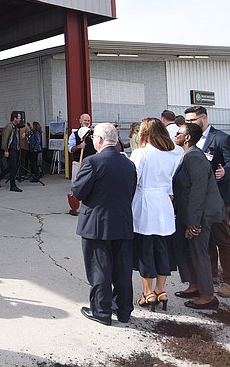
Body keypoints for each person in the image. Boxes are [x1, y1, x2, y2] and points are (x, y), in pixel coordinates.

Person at [71, 123, 137, 326]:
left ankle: (101, 311)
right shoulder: (129, 164)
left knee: (99, 268)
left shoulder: (92, 162)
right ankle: (124, 310)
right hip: (123, 222)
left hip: (97, 224)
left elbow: (78, 192)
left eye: (93, 139)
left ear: (99, 140)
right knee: (122, 269)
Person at [184, 106, 230, 298]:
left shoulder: (222, 138)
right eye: (187, 121)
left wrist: (226, 172)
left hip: (219, 197)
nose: (189, 124)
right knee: (205, 239)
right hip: (199, 198)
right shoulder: (191, 140)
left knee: (222, 238)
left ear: (204, 118)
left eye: (193, 120)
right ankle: (210, 275)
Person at [129, 118, 183, 312]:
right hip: (164, 202)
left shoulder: (141, 153)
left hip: (145, 202)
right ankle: (161, 290)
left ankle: (148, 292)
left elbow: (133, 179)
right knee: (163, 248)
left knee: (145, 248)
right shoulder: (174, 153)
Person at [172, 122, 225, 310]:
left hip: (199, 215)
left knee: (198, 252)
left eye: (178, 133)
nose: (175, 135)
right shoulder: (189, 155)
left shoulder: (194, 157)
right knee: (186, 249)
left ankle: (207, 296)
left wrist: (193, 222)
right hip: (188, 212)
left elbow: (198, 191)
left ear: (187, 137)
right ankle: (194, 285)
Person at [0, 111, 24, 192]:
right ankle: (12, 185)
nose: (20, 119)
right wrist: (6, 150)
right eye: (19, 118)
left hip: (15, 148)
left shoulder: (15, 127)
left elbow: (15, 138)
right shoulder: (9, 127)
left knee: (13, 166)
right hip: (10, 149)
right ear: (15, 118)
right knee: (13, 167)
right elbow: (4, 139)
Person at [68, 113, 96, 179]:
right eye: (85, 120)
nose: (87, 122)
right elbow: (70, 149)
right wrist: (79, 146)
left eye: (88, 121)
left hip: (91, 163)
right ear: (80, 121)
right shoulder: (74, 134)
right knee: (77, 183)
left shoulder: (94, 133)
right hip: (78, 163)